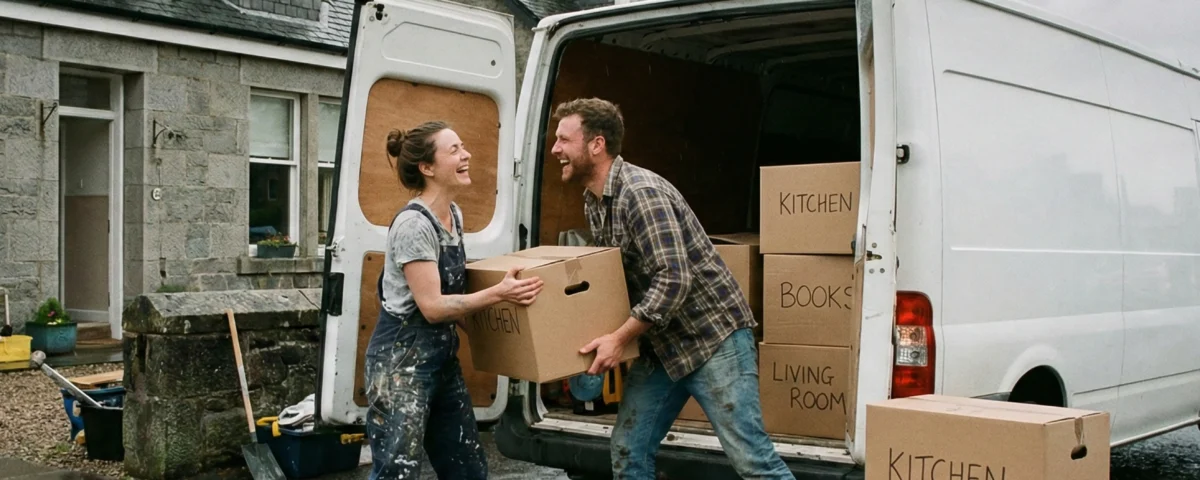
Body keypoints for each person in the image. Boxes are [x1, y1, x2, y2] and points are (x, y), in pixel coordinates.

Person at [551, 98, 794, 479]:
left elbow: (673, 279)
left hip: (712, 339)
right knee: (628, 449)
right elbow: (619, 279)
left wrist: (619, 338)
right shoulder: (594, 201)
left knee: (753, 461)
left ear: (596, 144)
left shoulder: (640, 193)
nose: (556, 149)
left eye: (564, 140)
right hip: (663, 346)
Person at [364, 121, 545, 480]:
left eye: (463, 147)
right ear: (427, 168)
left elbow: (454, 291)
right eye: (454, 150)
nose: (467, 155)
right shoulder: (414, 226)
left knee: (467, 468)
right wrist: (500, 293)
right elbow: (432, 307)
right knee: (397, 472)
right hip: (401, 364)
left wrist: (507, 339)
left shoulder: (454, 216)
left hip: (441, 360)